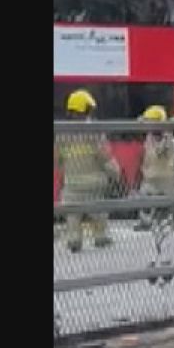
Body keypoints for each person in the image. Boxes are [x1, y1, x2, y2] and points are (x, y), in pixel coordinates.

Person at [56, 89, 121, 251]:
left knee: (72, 214)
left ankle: (74, 239)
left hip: (71, 186)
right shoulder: (95, 131)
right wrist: (116, 173)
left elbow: (57, 161)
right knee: (99, 212)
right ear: (86, 110)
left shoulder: (61, 134)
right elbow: (105, 157)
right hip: (95, 184)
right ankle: (100, 236)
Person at [135, 105, 174, 232]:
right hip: (151, 178)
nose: (148, 126)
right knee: (143, 195)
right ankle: (145, 222)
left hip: (167, 178)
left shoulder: (168, 139)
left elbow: (161, 152)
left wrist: (169, 127)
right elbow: (140, 121)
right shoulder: (149, 137)